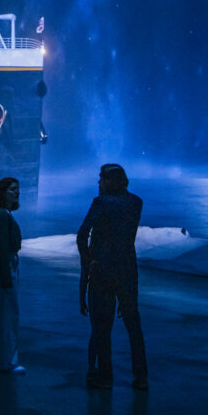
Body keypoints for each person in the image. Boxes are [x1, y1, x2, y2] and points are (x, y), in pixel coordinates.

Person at [76, 163, 147, 390]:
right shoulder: (136, 203)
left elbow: (82, 234)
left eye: (102, 179)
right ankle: (141, 377)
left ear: (110, 181)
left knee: (102, 327)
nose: (99, 183)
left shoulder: (101, 202)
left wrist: (89, 259)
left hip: (102, 270)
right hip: (127, 270)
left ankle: (105, 377)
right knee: (133, 326)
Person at [0, 177, 24, 374]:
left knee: (0, 314)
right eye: (12, 189)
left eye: (17, 189)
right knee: (7, 315)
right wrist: (6, 276)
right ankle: (5, 361)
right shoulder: (2, 215)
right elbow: (1, 246)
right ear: (3, 192)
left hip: (4, 263)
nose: (17, 192)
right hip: (4, 264)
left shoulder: (3, 214)